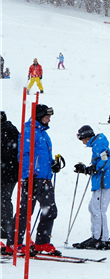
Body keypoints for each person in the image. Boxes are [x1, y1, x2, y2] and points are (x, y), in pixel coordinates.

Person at [16, 104, 62, 255]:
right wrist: (27, 175)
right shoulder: (30, 131)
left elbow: (42, 156)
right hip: (33, 177)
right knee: (26, 210)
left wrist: (52, 164)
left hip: (44, 178)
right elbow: (24, 155)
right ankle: (15, 242)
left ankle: (42, 242)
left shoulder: (42, 133)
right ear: (39, 116)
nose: (49, 120)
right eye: (46, 117)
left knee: (50, 210)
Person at [72, 125, 110, 250]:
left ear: (86, 137)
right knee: (94, 208)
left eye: (81, 138)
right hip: (101, 181)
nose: (82, 141)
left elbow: (105, 159)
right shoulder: (97, 144)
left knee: (98, 209)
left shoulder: (98, 144)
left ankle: (101, 238)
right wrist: (86, 169)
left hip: (104, 182)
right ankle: (97, 236)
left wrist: (91, 169)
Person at [1, 111, 21, 254]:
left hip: (5, 172)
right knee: (5, 199)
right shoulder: (12, 130)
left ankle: (6, 227)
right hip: (12, 172)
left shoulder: (4, 132)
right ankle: (6, 226)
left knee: (4, 199)